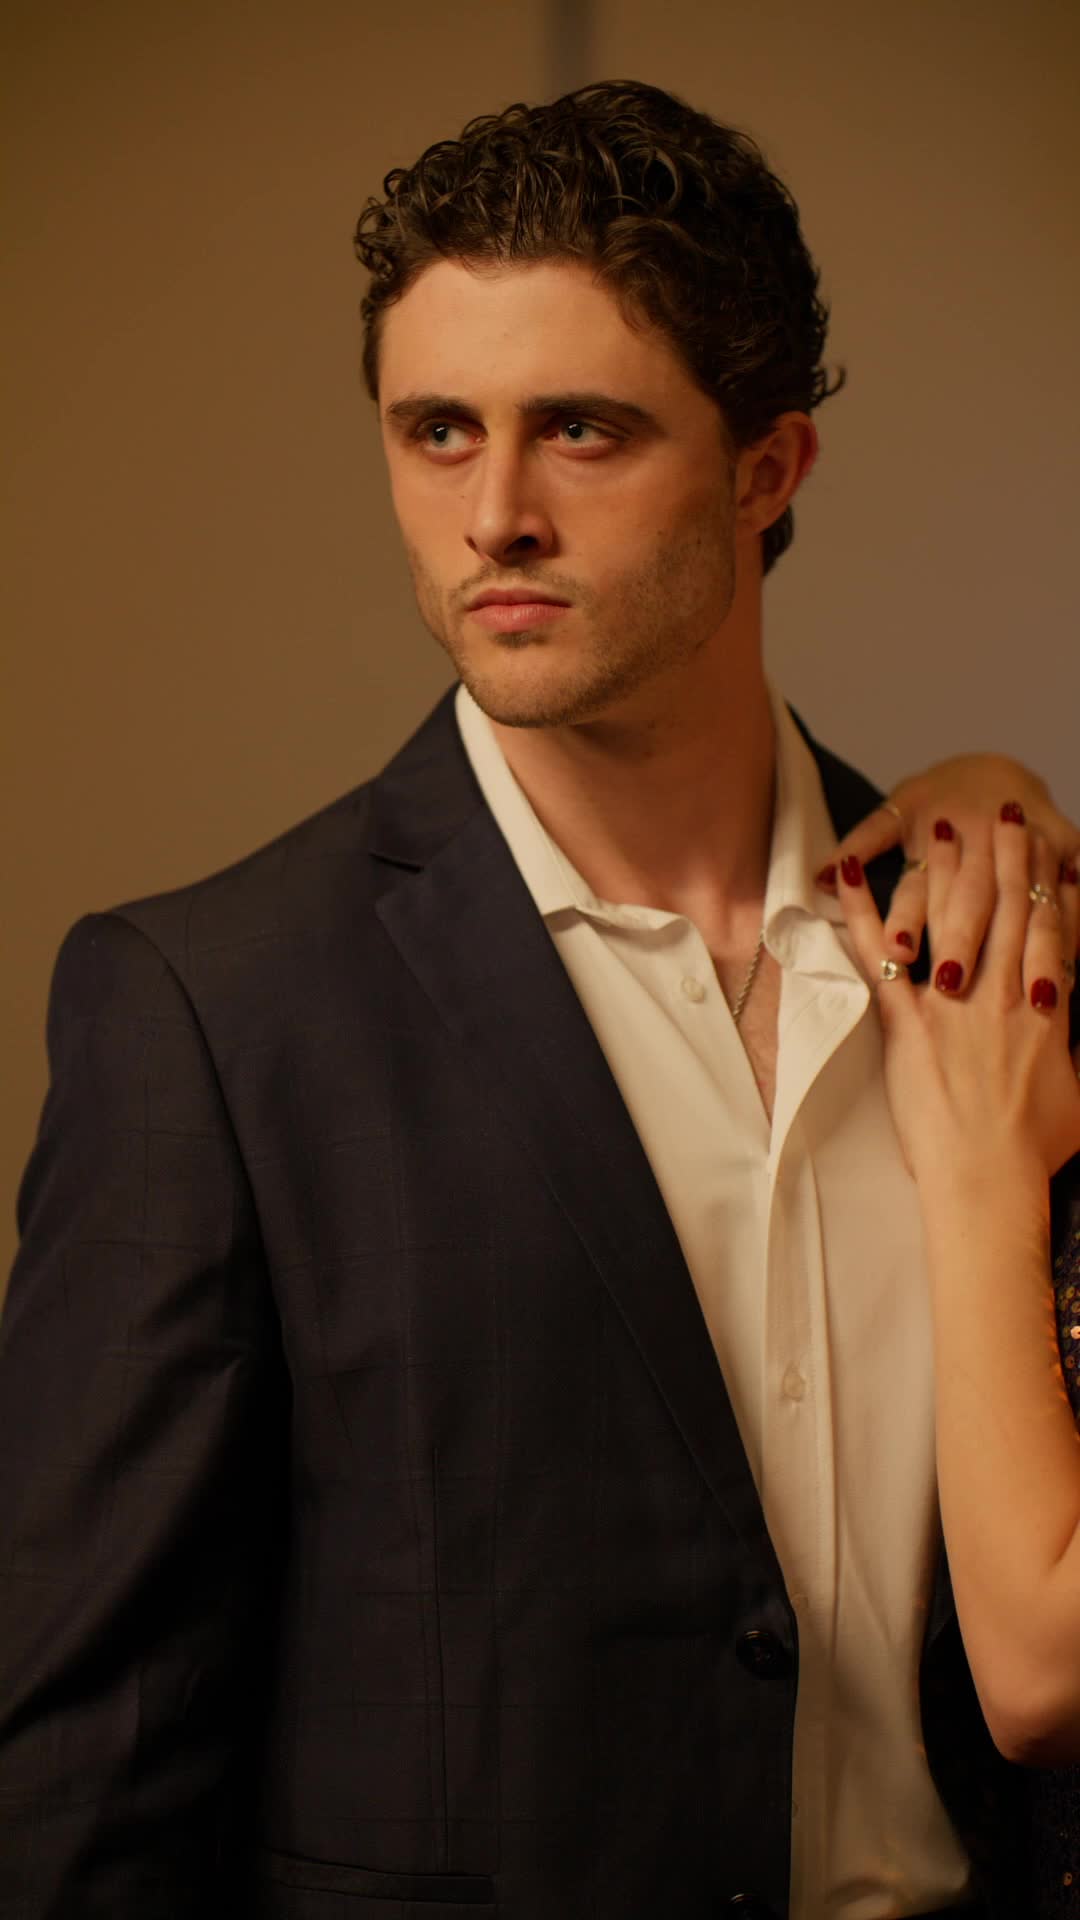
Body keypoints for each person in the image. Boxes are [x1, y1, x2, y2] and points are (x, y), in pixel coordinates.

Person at [1, 77, 1078, 1920]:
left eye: (581, 430)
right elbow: (82, 1778)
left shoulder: (998, 952)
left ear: (767, 471)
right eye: (437, 431)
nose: (492, 515)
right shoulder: (213, 1012)